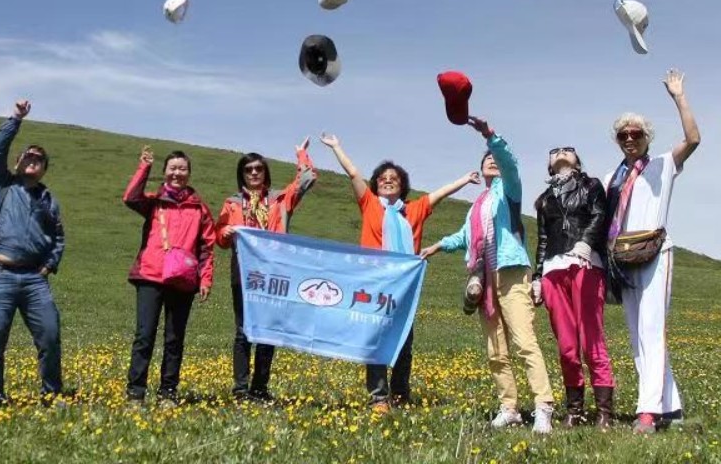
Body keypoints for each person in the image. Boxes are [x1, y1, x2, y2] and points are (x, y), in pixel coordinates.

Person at [320, 132, 480, 413]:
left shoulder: (414, 211)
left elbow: (440, 194)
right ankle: (379, 397)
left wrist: (465, 180)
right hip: (374, 283)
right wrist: (336, 147)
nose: (387, 180)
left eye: (393, 177)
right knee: (376, 339)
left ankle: (401, 393)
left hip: (404, 286)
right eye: (382, 178)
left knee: (404, 340)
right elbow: (353, 173)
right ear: (376, 185)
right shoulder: (369, 204)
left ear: (403, 184)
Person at [421, 117, 555, 434]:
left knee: (524, 341)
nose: (492, 161)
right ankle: (509, 408)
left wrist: (490, 136)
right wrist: (437, 246)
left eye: (494, 158)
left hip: (510, 273)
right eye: (487, 160)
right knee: (496, 349)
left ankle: (543, 407)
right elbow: (465, 236)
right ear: (481, 171)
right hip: (486, 280)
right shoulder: (477, 205)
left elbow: (509, 163)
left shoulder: (509, 191)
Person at [604, 69, 700, 434]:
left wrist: (678, 96)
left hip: (655, 252)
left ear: (647, 137)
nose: (630, 138)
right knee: (636, 332)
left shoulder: (663, 164)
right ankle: (670, 406)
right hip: (624, 259)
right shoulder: (615, 176)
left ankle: (648, 411)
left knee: (652, 327)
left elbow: (693, 138)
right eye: (623, 134)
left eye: (636, 133)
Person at [216, 138, 317, 401]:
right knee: (243, 330)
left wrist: (301, 154)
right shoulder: (232, 203)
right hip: (244, 275)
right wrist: (225, 233)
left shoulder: (279, 201)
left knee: (268, 331)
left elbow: (307, 179)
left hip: (274, 276)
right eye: (248, 170)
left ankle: (259, 388)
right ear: (242, 174)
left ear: (265, 173)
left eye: (258, 169)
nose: (253, 173)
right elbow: (220, 239)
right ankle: (240, 389)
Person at [0, 99, 65, 410]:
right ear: (16, 162)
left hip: (34, 280)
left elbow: (59, 237)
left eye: (39, 158)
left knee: (50, 337)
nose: (33, 160)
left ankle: (52, 395)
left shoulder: (48, 198)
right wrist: (16, 118)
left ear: (43, 168)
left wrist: (49, 266)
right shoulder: (2, 185)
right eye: (28, 156)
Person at [123, 146, 216, 406]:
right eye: (173, 168)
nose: (177, 173)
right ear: (164, 172)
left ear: (189, 174)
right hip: (150, 276)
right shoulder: (154, 202)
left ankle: (168, 394)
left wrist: (206, 278)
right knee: (144, 335)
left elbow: (207, 247)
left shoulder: (199, 208)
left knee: (175, 339)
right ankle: (135, 393)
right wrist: (144, 168)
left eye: (182, 169)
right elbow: (130, 197)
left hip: (183, 280)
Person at [533, 146, 615, 429]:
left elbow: (599, 215)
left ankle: (605, 411)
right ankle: (575, 410)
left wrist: (587, 241)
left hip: (586, 264)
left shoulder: (591, 186)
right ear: (549, 164)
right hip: (553, 272)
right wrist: (537, 276)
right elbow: (543, 239)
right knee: (567, 345)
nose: (561, 153)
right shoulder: (544, 200)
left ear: (578, 161)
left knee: (591, 339)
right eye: (554, 151)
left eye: (568, 150)